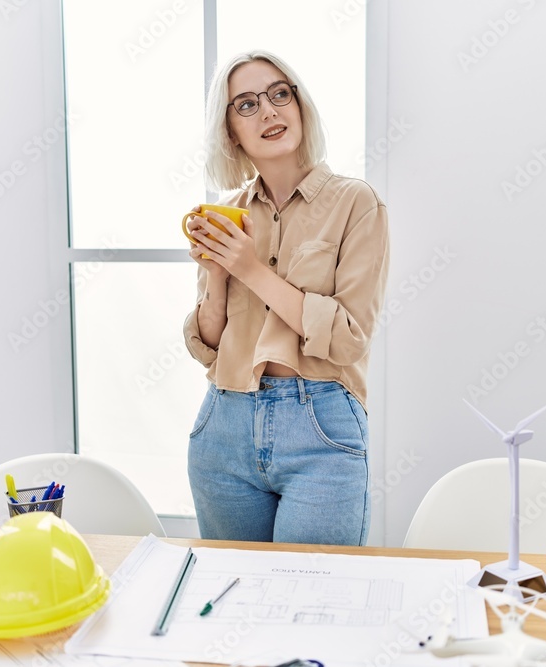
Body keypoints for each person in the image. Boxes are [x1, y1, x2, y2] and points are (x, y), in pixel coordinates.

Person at [182, 50, 389, 546]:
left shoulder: (356, 203)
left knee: (317, 599)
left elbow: (348, 339)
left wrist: (249, 269)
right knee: (233, 599)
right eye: (247, 104)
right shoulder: (226, 212)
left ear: (299, 105)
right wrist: (217, 276)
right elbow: (208, 346)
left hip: (321, 424)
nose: (269, 111)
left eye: (280, 94)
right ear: (230, 130)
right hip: (224, 423)